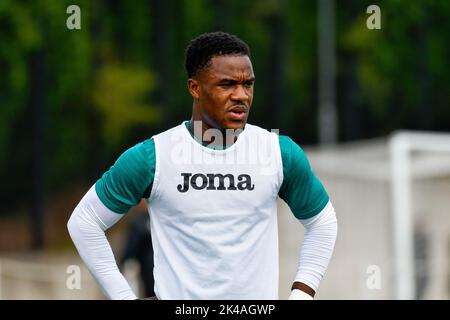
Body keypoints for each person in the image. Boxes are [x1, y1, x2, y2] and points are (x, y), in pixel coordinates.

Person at [67, 31, 338, 300]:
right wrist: (123, 297)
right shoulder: (154, 157)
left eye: (248, 84)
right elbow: (84, 222)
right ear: (195, 88)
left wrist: (302, 293)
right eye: (227, 84)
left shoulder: (279, 152)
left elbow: (323, 222)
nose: (241, 95)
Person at [119, 207, 155, 297]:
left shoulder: (141, 221)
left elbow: (132, 246)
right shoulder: (141, 220)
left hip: (150, 266)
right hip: (149, 265)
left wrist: (124, 259)